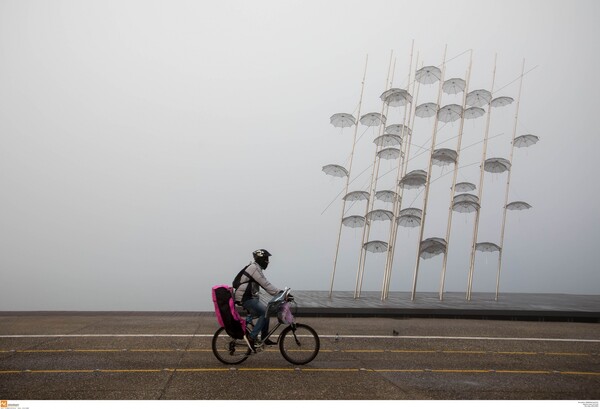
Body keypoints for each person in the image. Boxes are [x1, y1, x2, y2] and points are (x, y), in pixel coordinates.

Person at [234, 249, 281, 352]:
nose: (267, 262)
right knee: (264, 312)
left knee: (266, 310)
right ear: (261, 259)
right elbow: (265, 284)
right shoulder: (254, 268)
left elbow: (264, 284)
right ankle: (252, 337)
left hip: (248, 297)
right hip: (244, 298)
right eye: (266, 259)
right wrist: (280, 293)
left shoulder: (256, 268)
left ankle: (264, 337)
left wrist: (278, 292)